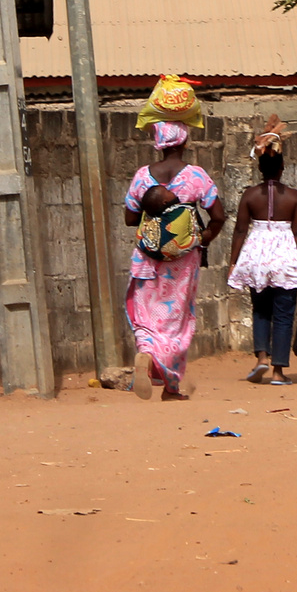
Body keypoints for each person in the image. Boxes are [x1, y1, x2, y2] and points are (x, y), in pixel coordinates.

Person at [123, 106, 226, 401]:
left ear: (159, 142)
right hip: (182, 263)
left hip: (146, 260)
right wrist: (200, 240)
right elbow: (218, 216)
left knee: (146, 316)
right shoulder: (196, 176)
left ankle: (145, 352)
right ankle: (171, 385)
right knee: (176, 321)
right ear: (184, 142)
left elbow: (130, 219)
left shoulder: (143, 176)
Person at [227, 116, 297, 385]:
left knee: (260, 309)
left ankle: (261, 358)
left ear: (260, 167)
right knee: (284, 313)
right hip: (285, 258)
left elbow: (240, 231)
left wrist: (233, 262)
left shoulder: (250, 196)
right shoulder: (293, 197)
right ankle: (278, 371)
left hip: (256, 257)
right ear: (282, 167)